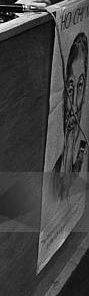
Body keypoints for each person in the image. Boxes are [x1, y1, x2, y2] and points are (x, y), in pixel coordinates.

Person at [52, 32, 88, 201]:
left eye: (80, 86)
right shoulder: (54, 171)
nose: (74, 105)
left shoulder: (80, 154)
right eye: (70, 88)